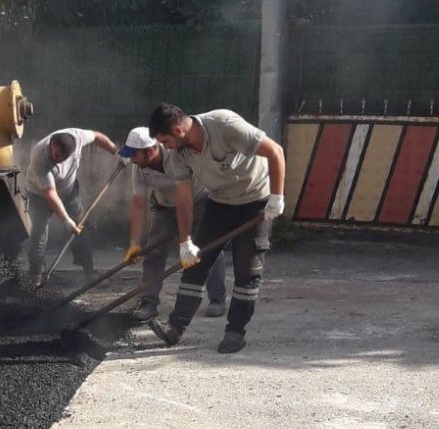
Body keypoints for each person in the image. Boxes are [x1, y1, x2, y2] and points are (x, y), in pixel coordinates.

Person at [146, 104, 286, 353]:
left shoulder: (225, 125)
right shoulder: (179, 155)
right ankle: (174, 329)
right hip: (220, 202)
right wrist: (185, 241)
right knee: (196, 265)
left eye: (165, 140)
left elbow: (275, 151)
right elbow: (185, 199)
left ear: (179, 130)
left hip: (256, 201)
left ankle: (235, 332)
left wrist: (276, 197)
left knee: (247, 270)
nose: (165, 147)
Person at [118, 127, 227, 321]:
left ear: (150, 150)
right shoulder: (140, 169)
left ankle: (217, 299)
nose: (132, 160)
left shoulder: (177, 156)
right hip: (165, 207)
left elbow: (185, 200)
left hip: (197, 202)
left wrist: (185, 242)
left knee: (209, 248)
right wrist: (135, 242)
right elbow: (138, 203)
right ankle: (148, 302)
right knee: (153, 253)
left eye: (134, 155)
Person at [25, 128, 123, 286]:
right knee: (39, 234)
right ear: (52, 144)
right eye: (56, 155)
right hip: (39, 195)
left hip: (69, 191)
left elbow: (98, 137)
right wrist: (66, 221)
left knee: (80, 227)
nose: (58, 159)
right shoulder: (39, 157)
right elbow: (50, 194)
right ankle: (35, 276)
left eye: (63, 157)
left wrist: (117, 153)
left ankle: (89, 272)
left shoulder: (77, 137)